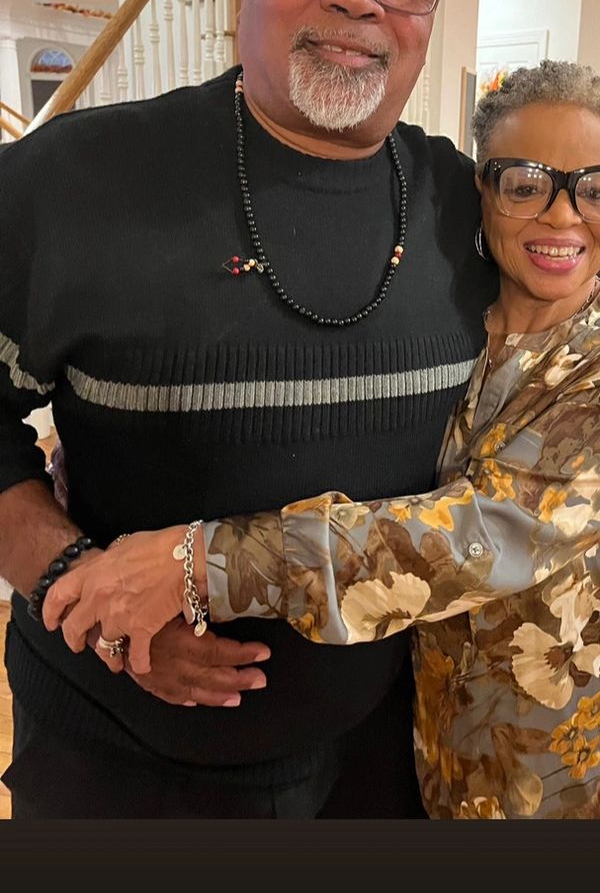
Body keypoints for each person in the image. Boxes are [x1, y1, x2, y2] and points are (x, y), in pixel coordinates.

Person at [0, 0, 497, 818]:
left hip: (395, 757)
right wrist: (76, 582)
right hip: (124, 765)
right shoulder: (70, 180)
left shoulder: (470, 206)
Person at [48, 60, 600, 819]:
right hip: (419, 748)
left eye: (595, 188)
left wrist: (203, 562)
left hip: (554, 775)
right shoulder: (450, 316)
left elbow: (478, 537)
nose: (563, 216)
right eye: (526, 183)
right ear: (483, 189)